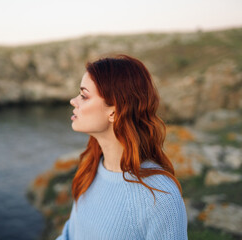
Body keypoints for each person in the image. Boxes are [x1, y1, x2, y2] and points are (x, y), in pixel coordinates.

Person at [56, 54, 188, 240]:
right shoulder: (91, 167)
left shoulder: (160, 198)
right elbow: (69, 235)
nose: (73, 101)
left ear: (114, 112)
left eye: (84, 96)